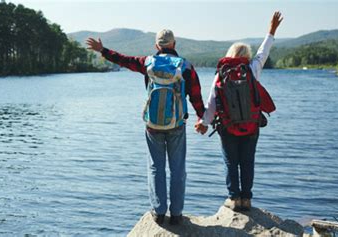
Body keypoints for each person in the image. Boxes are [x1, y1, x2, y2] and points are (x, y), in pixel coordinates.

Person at [86, 30, 205, 225]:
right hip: (177, 124)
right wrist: (203, 119)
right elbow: (196, 96)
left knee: (155, 167)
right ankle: (176, 215)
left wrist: (103, 50)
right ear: (174, 44)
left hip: (152, 125)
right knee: (178, 169)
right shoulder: (186, 66)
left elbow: (124, 60)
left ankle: (158, 212)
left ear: (157, 46)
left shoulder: (147, 62)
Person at [195, 11, 283, 211]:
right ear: (246, 57)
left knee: (231, 162)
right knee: (247, 162)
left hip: (227, 127)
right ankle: (247, 199)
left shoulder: (221, 74)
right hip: (251, 126)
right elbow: (264, 52)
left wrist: (203, 123)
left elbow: (211, 102)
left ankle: (234, 199)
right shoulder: (251, 70)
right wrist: (272, 30)